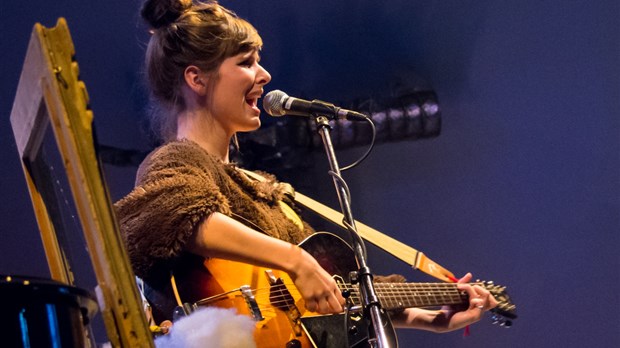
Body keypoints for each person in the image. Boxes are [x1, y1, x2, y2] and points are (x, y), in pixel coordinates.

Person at [114, 0, 498, 342]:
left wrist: (428, 316)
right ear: (196, 79)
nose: (264, 75)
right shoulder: (176, 160)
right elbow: (170, 216)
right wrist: (295, 261)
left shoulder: (262, 189)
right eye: (245, 62)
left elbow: (338, 285)